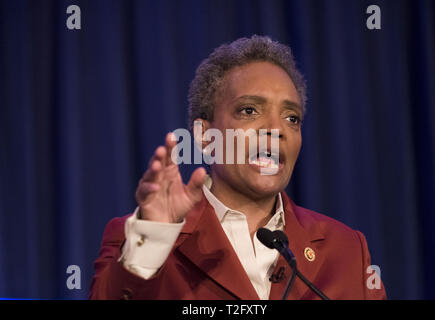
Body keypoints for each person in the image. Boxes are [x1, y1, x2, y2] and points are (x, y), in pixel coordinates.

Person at [89, 35, 386, 300]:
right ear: (206, 136)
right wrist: (153, 238)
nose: (275, 129)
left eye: (291, 118)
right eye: (249, 110)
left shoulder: (346, 249)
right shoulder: (142, 237)